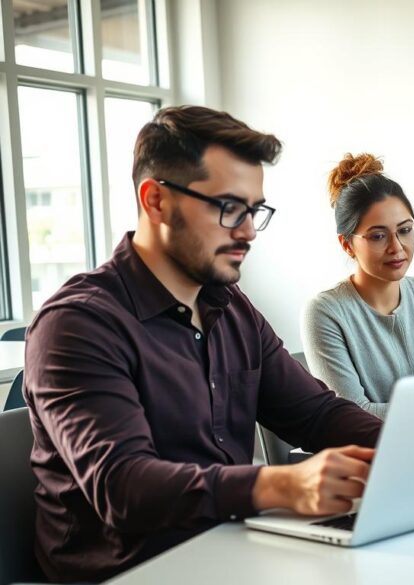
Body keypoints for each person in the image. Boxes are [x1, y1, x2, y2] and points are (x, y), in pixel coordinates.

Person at [24, 106, 383, 583]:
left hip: (232, 552)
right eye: (229, 208)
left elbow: (315, 414)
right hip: (133, 571)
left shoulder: (231, 307)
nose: (249, 231)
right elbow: (124, 486)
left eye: (254, 210)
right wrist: (278, 484)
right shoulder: (77, 324)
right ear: (155, 201)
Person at [302, 153, 414, 417]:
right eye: (378, 236)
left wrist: (399, 407)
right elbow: (351, 415)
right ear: (347, 245)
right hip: (373, 453)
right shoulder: (326, 312)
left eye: (404, 230)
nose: (397, 248)